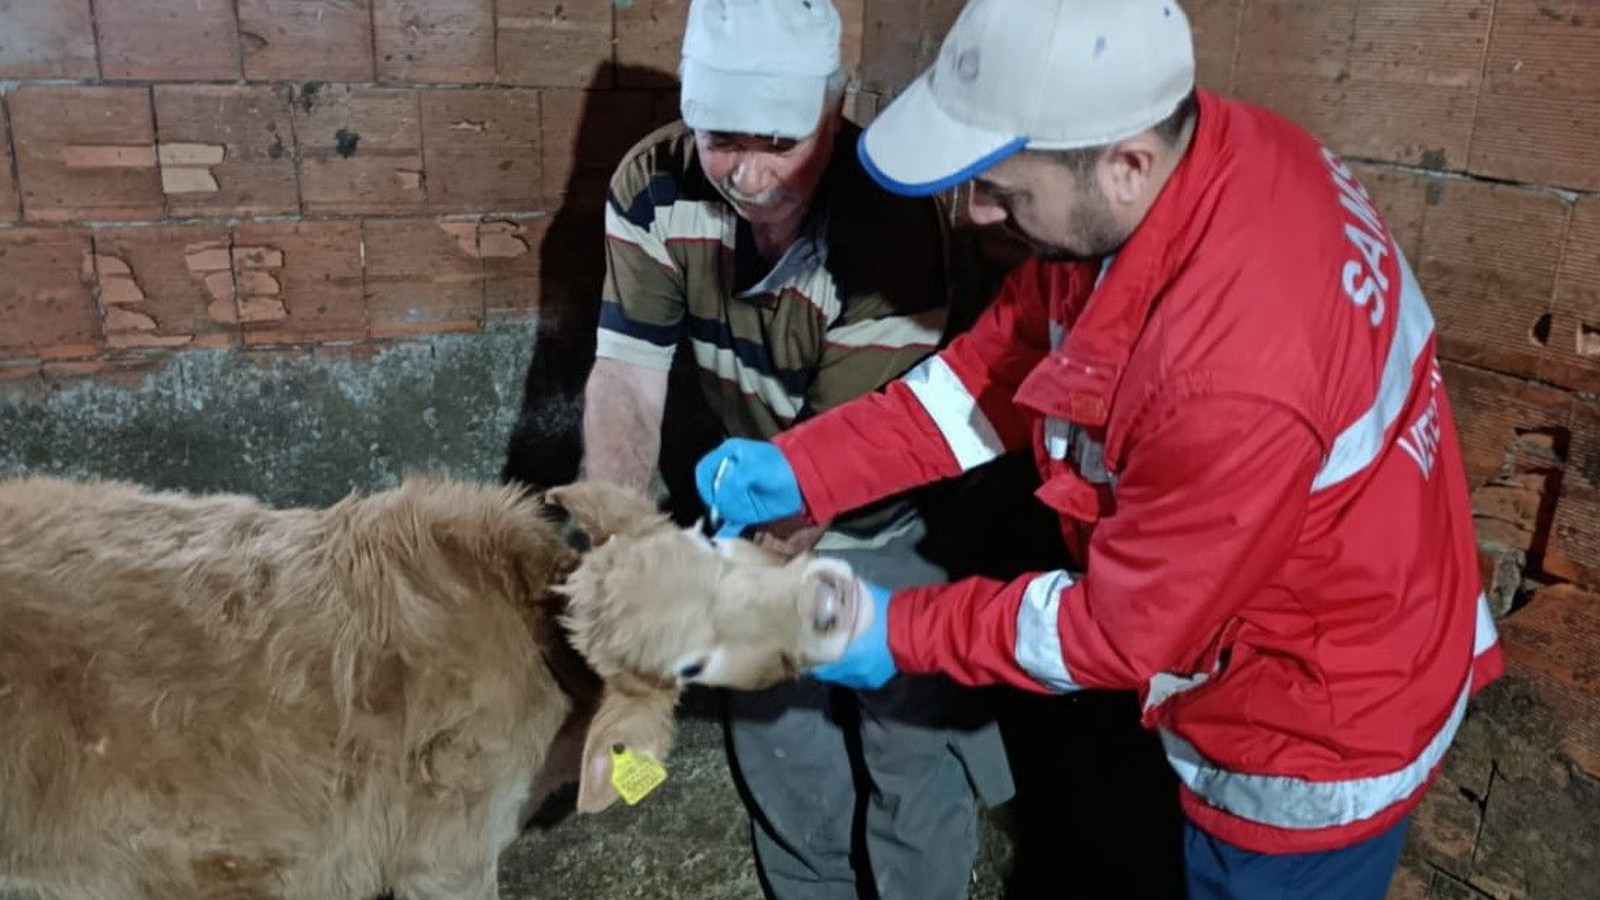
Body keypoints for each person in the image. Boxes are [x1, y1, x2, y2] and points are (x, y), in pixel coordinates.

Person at [694, 1, 1506, 898]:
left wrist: (896, 630)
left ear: (1125, 165)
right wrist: (809, 467)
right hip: (1264, 607)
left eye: (1006, 188)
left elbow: (1113, 633)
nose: (976, 213)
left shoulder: (1232, 372)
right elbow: (993, 371)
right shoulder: (1197, 164)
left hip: (1313, 718)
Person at [576, 1, 1013, 898]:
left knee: (907, 739)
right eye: (721, 140)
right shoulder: (653, 185)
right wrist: (615, 550)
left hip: (887, 509)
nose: (749, 174)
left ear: (833, 105)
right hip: (754, 492)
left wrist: (690, 598)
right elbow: (626, 378)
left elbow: (834, 467)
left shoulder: (892, 214)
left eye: (780, 142)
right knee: (782, 739)